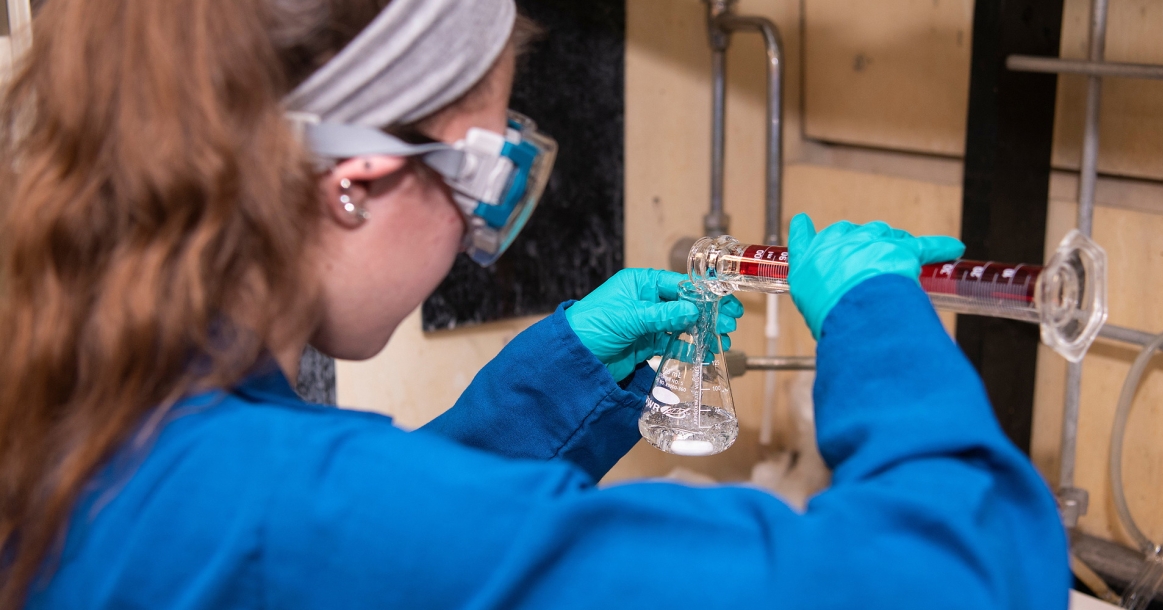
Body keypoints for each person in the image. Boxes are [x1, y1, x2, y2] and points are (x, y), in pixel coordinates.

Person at [0, 0, 1068, 608]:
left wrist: (562, 376)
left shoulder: (108, 402)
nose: (479, 228)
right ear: (358, 172)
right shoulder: (274, 510)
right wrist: (878, 319)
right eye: (491, 166)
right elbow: (958, 578)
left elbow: (385, 541)